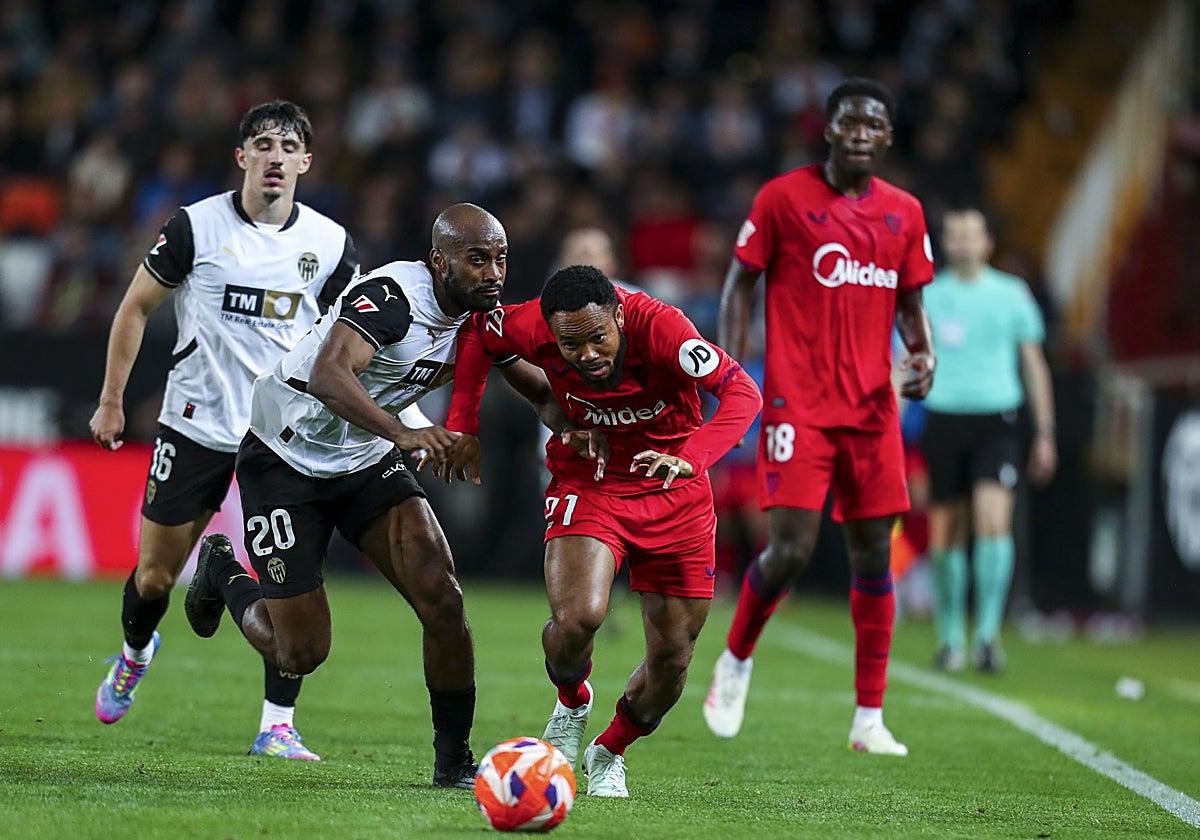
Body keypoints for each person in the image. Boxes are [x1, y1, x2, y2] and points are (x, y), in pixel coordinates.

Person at [183, 203, 550, 787]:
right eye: (477, 259)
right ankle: (225, 572)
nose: (493, 273)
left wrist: (594, 425)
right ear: (439, 261)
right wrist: (405, 431)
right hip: (286, 457)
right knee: (298, 653)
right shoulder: (392, 297)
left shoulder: (484, 320)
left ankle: (453, 762)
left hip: (363, 461)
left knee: (443, 598)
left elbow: (539, 389)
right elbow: (329, 374)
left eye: (501, 259)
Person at [90, 101, 358, 760]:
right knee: (155, 576)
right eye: (261, 144)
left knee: (289, 579)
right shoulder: (196, 227)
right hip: (196, 425)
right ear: (242, 157)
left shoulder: (329, 245)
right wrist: (111, 401)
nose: (273, 155)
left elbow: (355, 338)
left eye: (286, 146)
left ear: (305, 162)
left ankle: (277, 725)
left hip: (281, 436)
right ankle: (134, 652)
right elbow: (135, 308)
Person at [434, 265, 762, 797]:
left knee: (673, 658)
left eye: (597, 339)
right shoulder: (532, 326)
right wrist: (463, 425)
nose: (586, 355)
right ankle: (572, 701)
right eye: (570, 344)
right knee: (576, 619)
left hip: (674, 489)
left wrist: (693, 458)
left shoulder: (665, 331)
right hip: (592, 482)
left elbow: (744, 393)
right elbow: (479, 333)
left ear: (619, 314)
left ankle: (609, 749)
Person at [701, 77, 936, 756]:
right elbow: (740, 280)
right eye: (849, 122)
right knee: (793, 551)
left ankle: (869, 718)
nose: (861, 134)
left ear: (887, 138)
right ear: (829, 129)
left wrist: (924, 354)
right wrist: (730, 364)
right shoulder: (782, 198)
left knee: (874, 558)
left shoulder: (906, 213)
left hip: (872, 408)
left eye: (874, 125)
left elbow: (911, 301)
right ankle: (737, 659)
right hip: (798, 404)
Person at [921, 208, 1057, 673]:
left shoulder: (1012, 294)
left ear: (987, 243)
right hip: (942, 418)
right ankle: (950, 637)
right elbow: (908, 361)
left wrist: (1044, 433)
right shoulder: (928, 296)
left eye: (969, 235)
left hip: (998, 419)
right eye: (953, 235)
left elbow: (1033, 364)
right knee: (947, 531)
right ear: (945, 242)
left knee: (993, 520)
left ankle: (987, 636)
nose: (961, 243)